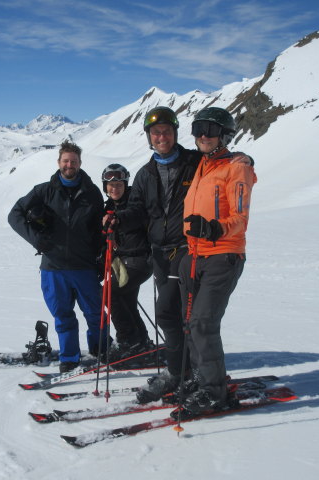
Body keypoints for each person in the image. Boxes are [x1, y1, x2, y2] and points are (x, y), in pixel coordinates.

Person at [107, 106, 253, 404]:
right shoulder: (146, 173)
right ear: (149, 137)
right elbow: (138, 209)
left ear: (175, 133)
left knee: (174, 314)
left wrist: (244, 159)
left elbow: (227, 162)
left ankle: (180, 372)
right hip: (160, 253)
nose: (161, 137)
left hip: (187, 249)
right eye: (155, 133)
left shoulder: (194, 161)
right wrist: (119, 218)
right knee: (177, 317)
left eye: (166, 131)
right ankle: (186, 371)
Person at [172, 107, 257, 418]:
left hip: (223, 254)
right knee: (189, 323)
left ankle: (215, 392)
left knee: (203, 323)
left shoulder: (236, 168)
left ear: (224, 134)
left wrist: (213, 228)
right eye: (198, 128)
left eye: (209, 128)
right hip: (193, 255)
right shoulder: (203, 165)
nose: (203, 135)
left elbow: (240, 216)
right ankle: (201, 377)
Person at [8, 140, 107, 373]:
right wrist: (35, 238)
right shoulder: (44, 191)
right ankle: (69, 357)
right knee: (63, 315)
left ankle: (101, 350)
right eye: (66, 161)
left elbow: (99, 231)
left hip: (84, 266)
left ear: (80, 163)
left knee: (95, 313)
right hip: (54, 267)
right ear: (59, 163)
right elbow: (15, 214)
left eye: (73, 161)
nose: (69, 165)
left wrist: (101, 259)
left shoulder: (92, 193)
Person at [100, 164, 153, 357]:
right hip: (123, 263)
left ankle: (128, 340)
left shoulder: (134, 202)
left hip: (140, 260)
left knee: (108, 292)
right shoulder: (108, 207)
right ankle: (141, 341)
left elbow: (136, 215)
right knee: (127, 301)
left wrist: (117, 220)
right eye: (111, 185)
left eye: (119, 184)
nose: (115, 188)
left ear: (126, 185)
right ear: (105, 186)